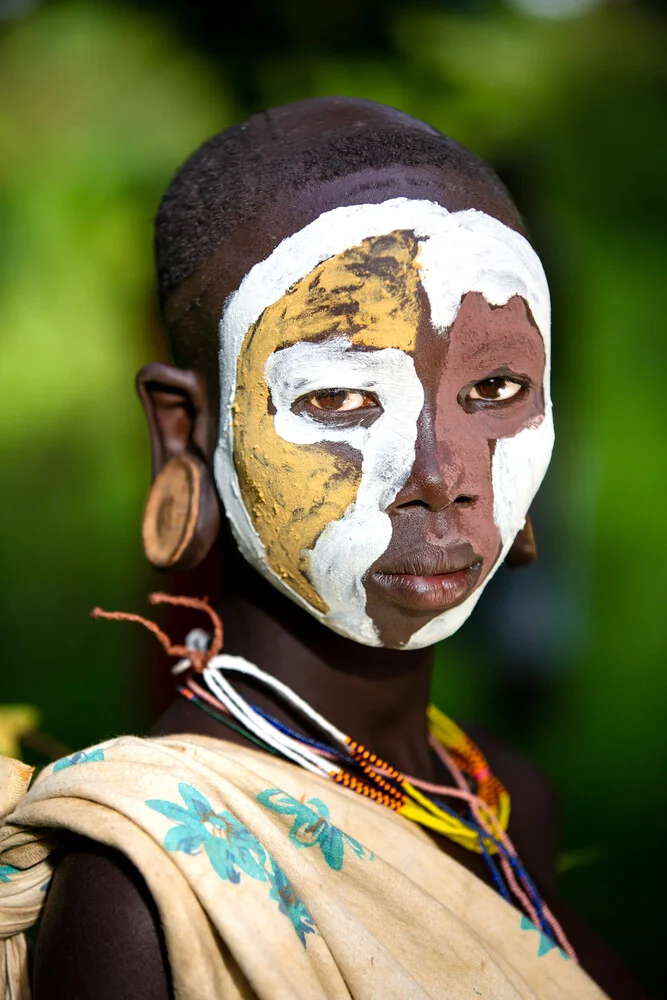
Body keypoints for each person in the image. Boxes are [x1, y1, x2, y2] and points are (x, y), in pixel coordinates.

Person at [0, 97, 649, 1000]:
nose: (439, 473)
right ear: (184, 432)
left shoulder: (500, 800)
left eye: (494, 388)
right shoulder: (154, 884)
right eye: (339, 400)